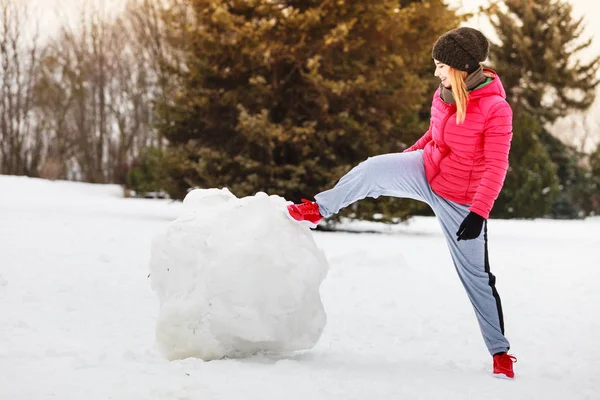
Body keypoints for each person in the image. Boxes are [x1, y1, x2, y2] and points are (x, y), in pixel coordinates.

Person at [285, 27, 518, 379]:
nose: (436, 72)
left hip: (462, 199)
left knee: (476, 277)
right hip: (428, 169)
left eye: (442, 65)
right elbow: (434, 134)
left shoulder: (495, 109)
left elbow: (496, 165)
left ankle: (500, 352)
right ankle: (318, 209)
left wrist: (478, 213)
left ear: (463, 66)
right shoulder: (444, 93)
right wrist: (405, 159)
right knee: (372, 168)